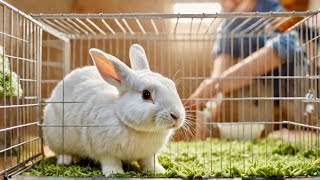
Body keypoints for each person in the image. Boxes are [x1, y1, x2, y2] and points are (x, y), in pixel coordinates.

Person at [183, 0, 309, 140]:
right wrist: (201, 98)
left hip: (287, 96)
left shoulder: (270, 8)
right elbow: (218, 74)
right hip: (252, 102)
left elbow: (285, 47)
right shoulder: (227, 24)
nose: (226, 5)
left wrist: (220, 82)